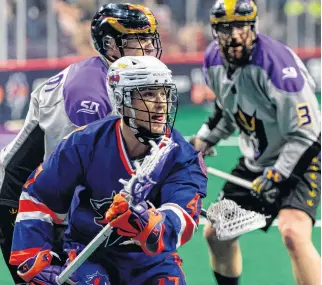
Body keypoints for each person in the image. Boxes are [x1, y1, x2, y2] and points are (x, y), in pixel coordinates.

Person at [9, 56, 207, 285]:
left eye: (164, 93)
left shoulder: (182, 155)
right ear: (122, 100)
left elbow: (184, 217)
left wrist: (150, 223)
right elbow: (39, 195)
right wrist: (34, 254)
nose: (161, 103)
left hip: (151, 260)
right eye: (149, 94)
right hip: (90, 255)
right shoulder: (84, 143)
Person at [0, 3, 162, 283]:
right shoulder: (87, 95)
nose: (149, 47)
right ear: (111, 45)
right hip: (22, 200)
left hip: (54, 196)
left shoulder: (121, 81)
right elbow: (65, 174)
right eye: (140, 39)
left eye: (150, 38)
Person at [190, 1, 321, 285]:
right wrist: (203, 140)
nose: (235, 35)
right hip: (257, 161)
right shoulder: (213, 60)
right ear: (215, 31)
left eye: (242, 26)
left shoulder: (277, 66)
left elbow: (307, 132)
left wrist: (278, 173)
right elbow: (227, 112)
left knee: (293, 233)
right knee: (217, 232)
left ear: (254, 27)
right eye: (226, 28)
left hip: (300, 155)